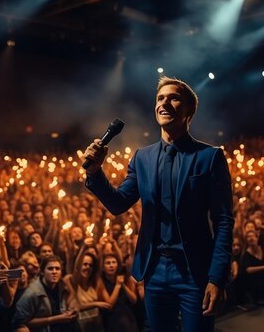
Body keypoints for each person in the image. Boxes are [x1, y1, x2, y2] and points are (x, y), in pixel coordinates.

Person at [83, 77, 234, 332]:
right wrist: (95, 172)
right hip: (154, 271)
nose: (164, 102)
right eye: (160, 98)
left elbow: (223, 221)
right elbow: (118, 204)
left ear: (189, 110)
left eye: (173, 97)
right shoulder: (142, 157)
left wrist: (217, 278)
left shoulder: (210, 157)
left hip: (194, 272)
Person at [12, 255, 78, 332]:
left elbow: (71, 303)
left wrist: (73, 310)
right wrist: (55, 319)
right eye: (50, 269)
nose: (54, 272)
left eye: (57, 269)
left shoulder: (63, 286)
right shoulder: (32, 293)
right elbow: (21, 323)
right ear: (42, 272)